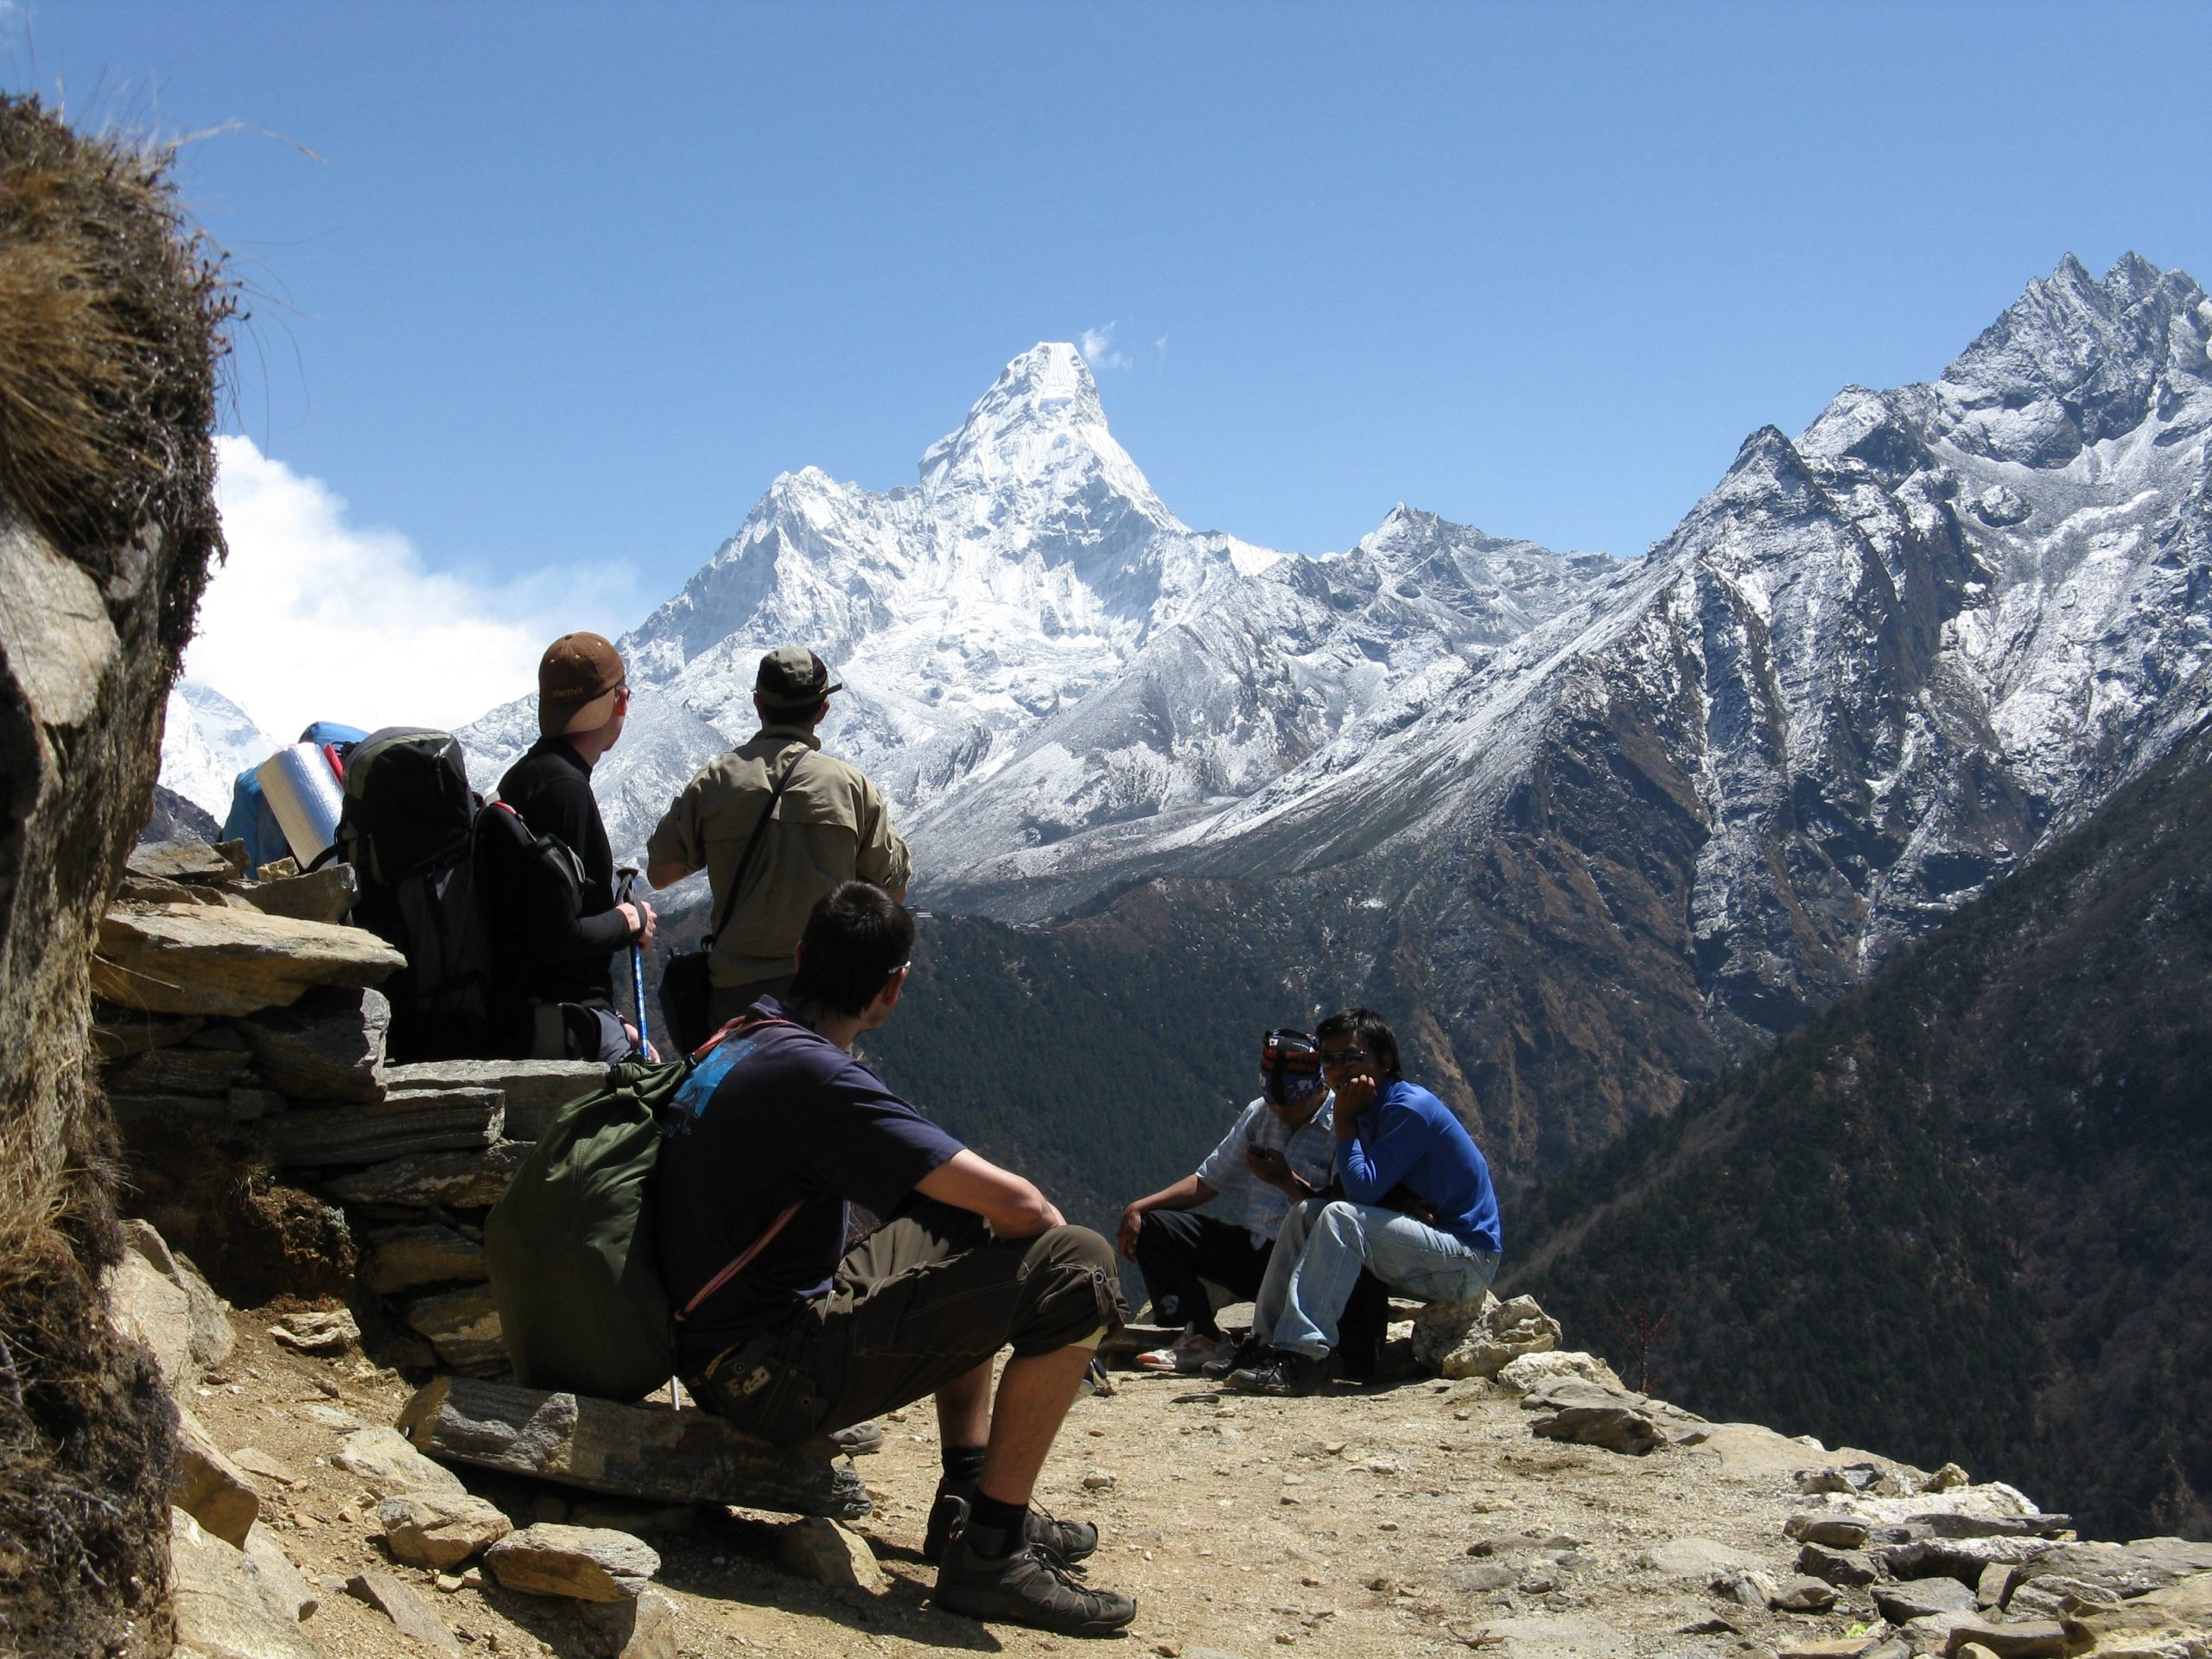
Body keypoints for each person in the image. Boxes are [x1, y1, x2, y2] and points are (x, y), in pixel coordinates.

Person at [649, 881, 1136, 1636]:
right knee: (1078, 1263)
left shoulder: (743, 1037)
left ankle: (965, 1497)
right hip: (771, 1372)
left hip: (724, 1345)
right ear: (894, 987)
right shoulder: (820, 1079)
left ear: (803, 957)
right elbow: (1029, 1212)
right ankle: (993, 1555)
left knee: (962, 1216)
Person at [1226, 1007, 1501, 1397]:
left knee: (1340, 1217)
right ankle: (1264, 1344)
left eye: (1352, 1057)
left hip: (1466, 1260)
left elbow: (1360, 1194)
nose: (1339, 1069)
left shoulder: (1406, 1108)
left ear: (1385, 1060)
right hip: (1429, 1249)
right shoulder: (1370, 1109)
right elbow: (1350, 1190)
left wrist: (1343, 1121)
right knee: (1308, 1212)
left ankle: (1303, 1358)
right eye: (1329, 1059)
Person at [645, 646, 910, 1029]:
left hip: (735, 998)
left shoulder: (716, 780)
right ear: (823, 710)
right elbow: (894, 891)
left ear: (758, 704)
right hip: (823, 998)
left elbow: (660, 872)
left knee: (735, 1087)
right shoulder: (852, 788)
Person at [1116, 1030, 1388, 1378]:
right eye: (1272, 1102)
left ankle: (1297, 1345)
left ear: (1316, 1090)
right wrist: (1140, 1208)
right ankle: (1201, 1333)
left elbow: (1342, 1214)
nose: (1279, 1111)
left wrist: (1285, 1181)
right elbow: (1208, 1180)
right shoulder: (1261, 1115)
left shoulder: (1344, 1122)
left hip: (1314, 1266)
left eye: (1288, 1104)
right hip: (1259, 1253)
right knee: (1155, 1225)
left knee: (1356, 1360)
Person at [489, 632, 657, 1061]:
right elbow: (558, 936)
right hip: (562, 1025)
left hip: (530, 1017)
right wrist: (628, 919)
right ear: (620, 701)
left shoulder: (526, 776)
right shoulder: (566, 791)